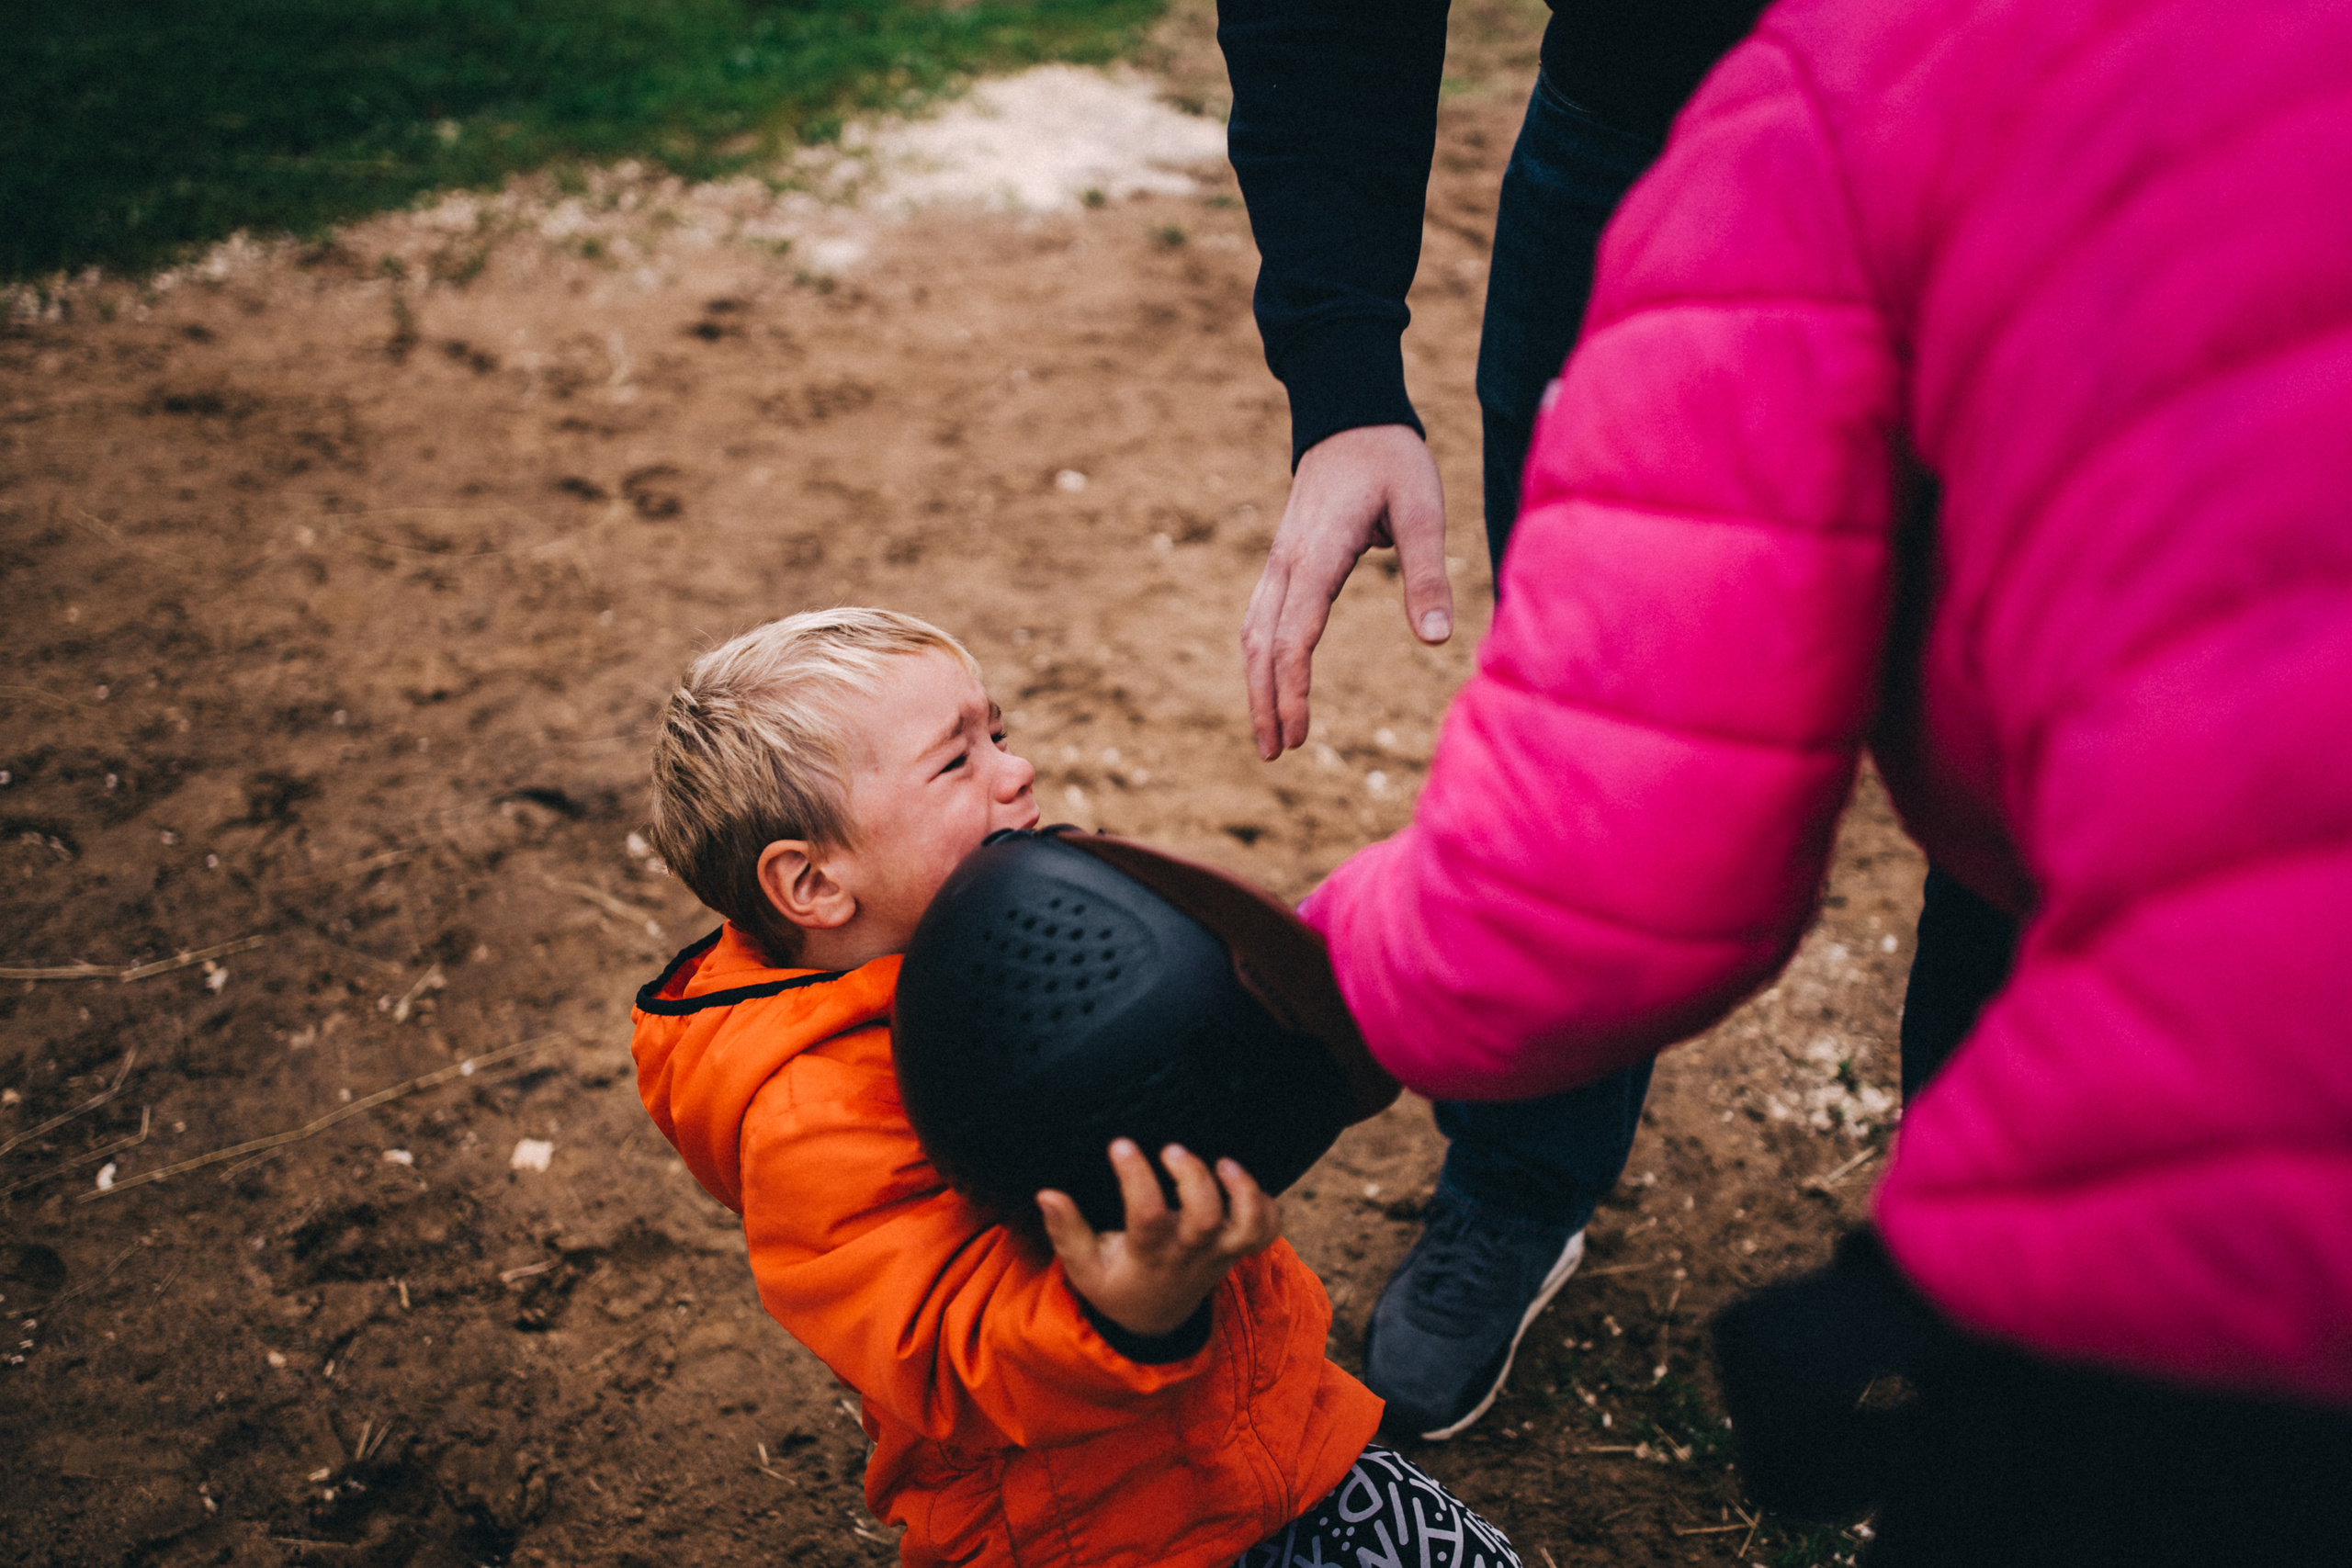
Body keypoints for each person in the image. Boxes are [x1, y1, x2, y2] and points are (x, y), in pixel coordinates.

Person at [1293, 0, 2352, 1557]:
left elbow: (1608, 875)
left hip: (2235, 1243)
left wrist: (1266, 984)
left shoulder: (1845, 98)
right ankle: (1526, 1194)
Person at [628, 608, 1520, 1568]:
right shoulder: (811, 1117)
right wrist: (1124, 1313)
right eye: (955, 763)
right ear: (811, 884)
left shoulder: (1043, 925)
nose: (1018, 773)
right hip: (1085, 1524)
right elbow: (939, 1349)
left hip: (1282, 1431)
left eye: (999, 735)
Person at [1216, 0, 1776, 1439]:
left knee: (2062, 767)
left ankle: (2018, 1293)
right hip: (1649, 134)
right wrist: (1341, 374)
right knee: (1604, 737)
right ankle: (1524, 1180)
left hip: (2090, 161)